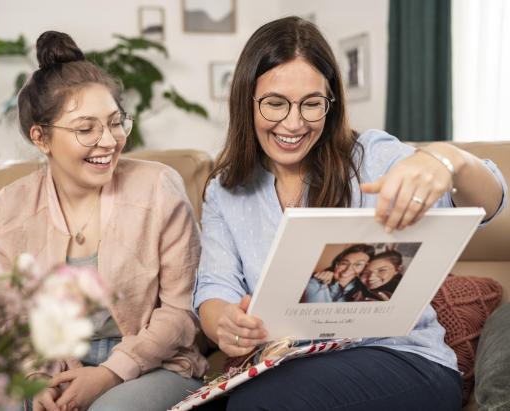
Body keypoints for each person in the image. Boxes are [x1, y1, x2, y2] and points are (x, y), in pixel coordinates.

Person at [193, 16, 507, 410]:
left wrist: (448, 161)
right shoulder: (226, 191)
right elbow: (213, 291)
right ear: (246, 101)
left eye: (312, 104)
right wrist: (222, 320)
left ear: (332, 103)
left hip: (404, 361)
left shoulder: (373, 157)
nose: (293, 123)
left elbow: (491, 203)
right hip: (295, 364)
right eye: (275, 104)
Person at [0, 31, 206, 411]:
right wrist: (35, 376)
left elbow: (181, 312)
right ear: (41, 137)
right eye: (86, 129)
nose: (109, 141)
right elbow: (4, 319)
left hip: (153, 362)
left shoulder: (158, 186)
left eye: (116, 123)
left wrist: (109, 372)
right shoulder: (10, 208)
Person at [300, 244, 374, 302]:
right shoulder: (316, 282)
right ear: (337, 264)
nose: (348, 269)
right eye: (344, 263)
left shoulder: (364, 293)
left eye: (358, 264)